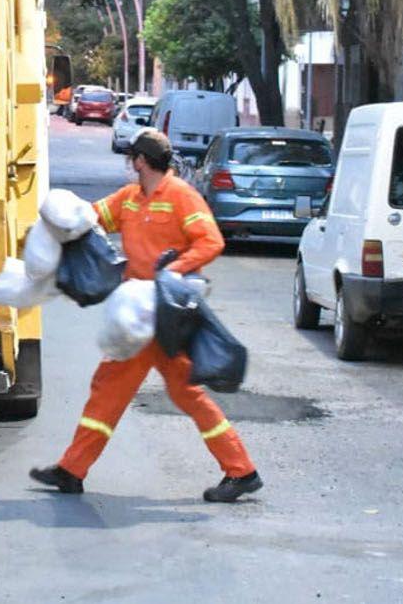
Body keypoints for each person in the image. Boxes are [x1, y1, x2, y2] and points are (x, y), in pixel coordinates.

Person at [30, 128, 263, 503]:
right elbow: (91, 219)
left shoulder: (180, 198)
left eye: (132, 160)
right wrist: (55, 225)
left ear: (140, 161)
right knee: (118, 388)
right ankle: (72, 469)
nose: (130, 165)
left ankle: (242, 470)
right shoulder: (131, 199)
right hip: (139, 317)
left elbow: (211, 241)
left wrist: (174, 270)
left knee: (174, 392)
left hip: (167, 314)